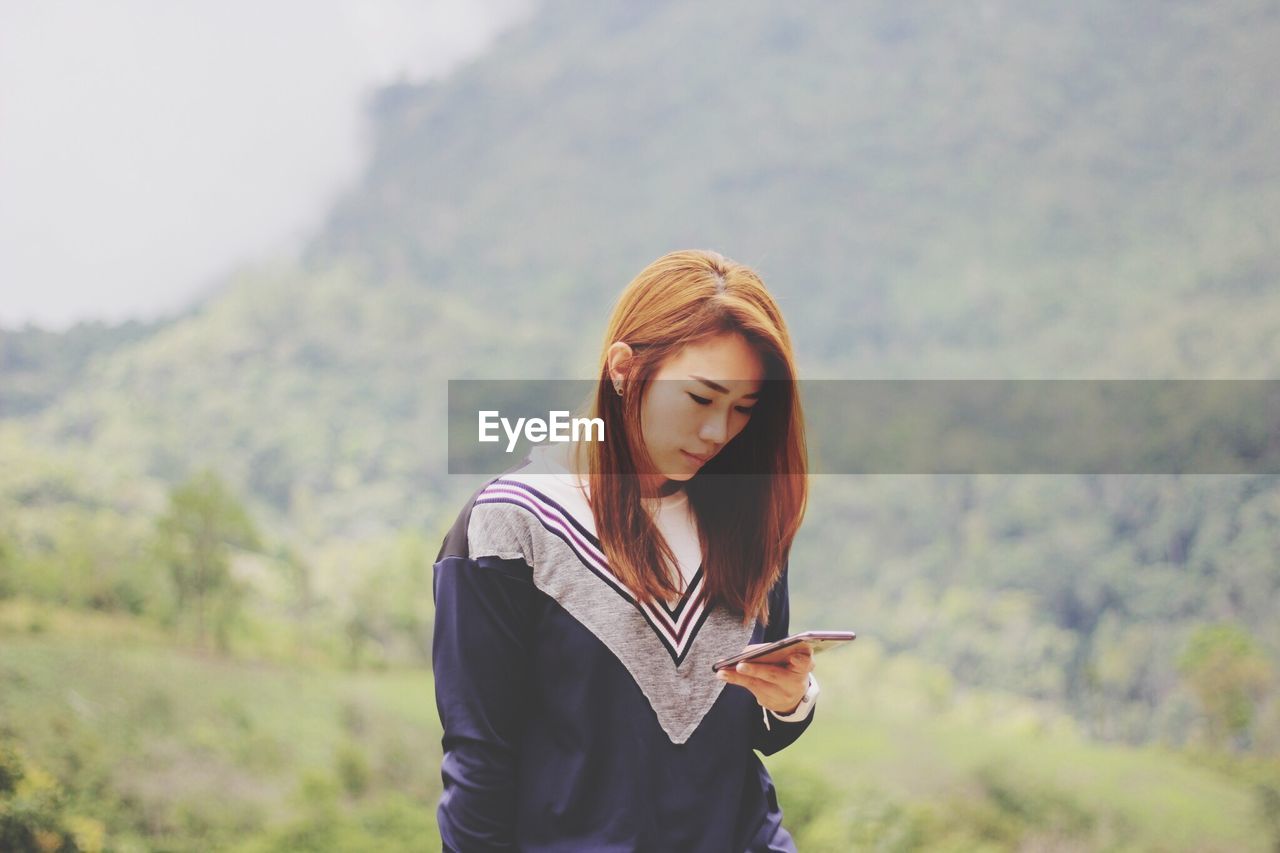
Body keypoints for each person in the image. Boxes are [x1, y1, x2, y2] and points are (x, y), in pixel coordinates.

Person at [432, 249, 820, 851]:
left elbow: (745, 736)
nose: (719, 432)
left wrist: (792, 701)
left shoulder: (748, 522)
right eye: (700, 398)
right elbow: (479, 759)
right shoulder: (511, 525)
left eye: (744, 409)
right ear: (622, 368)